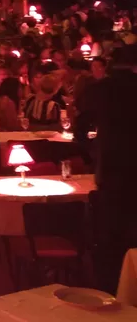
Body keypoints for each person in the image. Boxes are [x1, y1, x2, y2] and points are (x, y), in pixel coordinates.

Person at [74, 46, 137, 293]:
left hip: (111, 168)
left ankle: (111, 289)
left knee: (110, 234)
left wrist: (90, 150)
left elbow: (80, 124)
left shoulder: (100, 90)